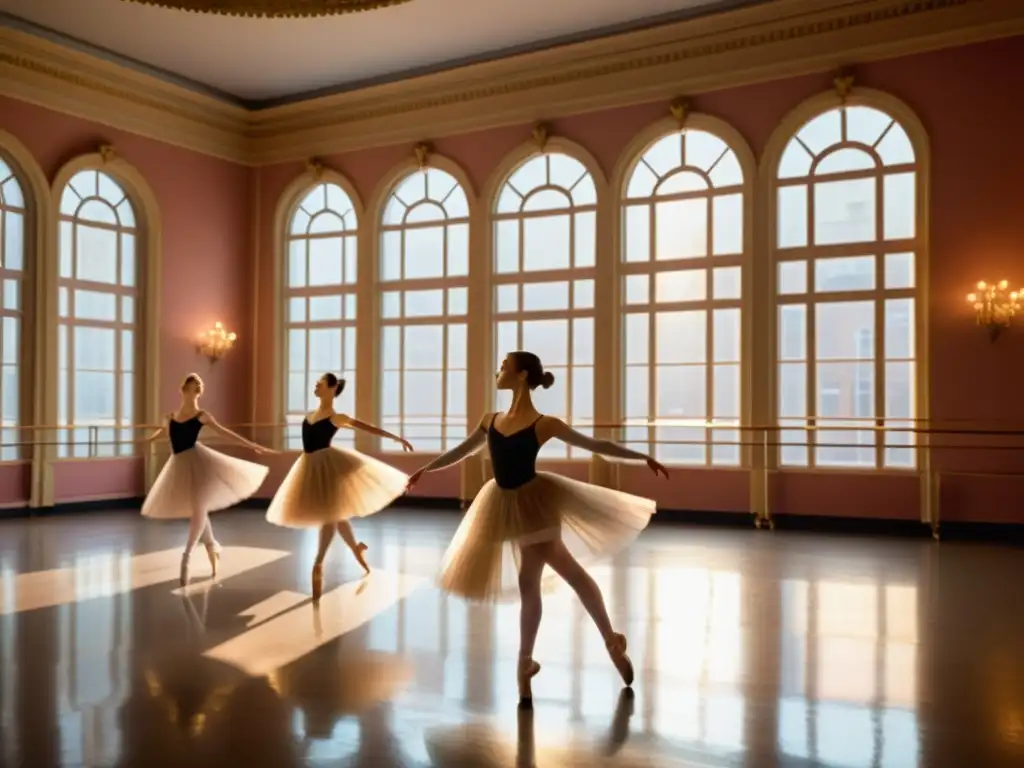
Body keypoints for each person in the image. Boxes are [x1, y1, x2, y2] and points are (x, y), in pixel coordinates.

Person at [406, 351, 667, 706]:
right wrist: (426, 469)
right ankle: (605, 641)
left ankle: (529, 665)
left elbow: (596, 446)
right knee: (562, 574)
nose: (498, 370)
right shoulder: (490, 420)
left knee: (535, 582)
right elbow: (463, 451)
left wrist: (641, 457)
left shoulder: (545, 424)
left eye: (504, 366)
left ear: (522, 375)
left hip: (536, 504)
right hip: (505, 502)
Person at [265, 373, 413, 601]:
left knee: (330, 515)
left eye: (320, 383)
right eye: (316, 383)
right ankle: (356, 549)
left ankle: (318, 563)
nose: (316, 384)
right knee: (336, 513)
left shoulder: (337, 417)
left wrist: (397, 438)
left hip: (328, 467)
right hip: (308, 467)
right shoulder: (309, 415)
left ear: (332, 388)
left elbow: (368, 428)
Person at [141, 373, 274, 587]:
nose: (192, 392)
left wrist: (251, 445)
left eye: (196, 389)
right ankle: (212, 547)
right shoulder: (169, 416)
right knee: (199, 510)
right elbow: (164, 432)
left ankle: (187, 555)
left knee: (199, 508)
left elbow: (224, 433)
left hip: (199, 463)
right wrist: (149, 439)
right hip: (179, 465)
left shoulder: (202, 415)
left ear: (198, 393)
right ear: (183, 390)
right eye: (189, 387)